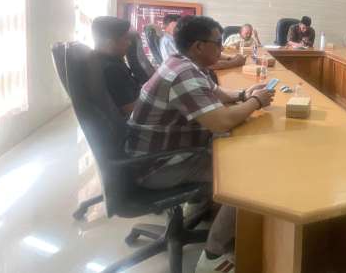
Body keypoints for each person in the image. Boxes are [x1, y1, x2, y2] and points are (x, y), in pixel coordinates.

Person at [126, 16, 275, 273]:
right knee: (248, 175)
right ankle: (213, 255)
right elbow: (221, 122)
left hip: (158, 153)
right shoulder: (183, 74)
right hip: (156, 166)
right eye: (217, 43)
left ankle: (194, 207)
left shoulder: (184, 64)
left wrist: (244, 94)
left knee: (233, 148)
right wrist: (256, 102)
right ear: (198, 46)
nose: (221, 48)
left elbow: (217, 94)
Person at [91, 16, 142, 116]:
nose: (129, 43)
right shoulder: (112, 70)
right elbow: (131, 109)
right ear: (110, 43)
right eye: (126, 39)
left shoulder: (104, 60)